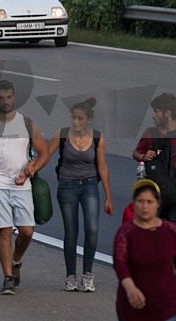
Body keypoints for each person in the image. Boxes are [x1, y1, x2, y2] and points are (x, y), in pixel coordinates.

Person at [0, 79, 51, 295]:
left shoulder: (27, 124)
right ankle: (8, 277)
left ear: (14, 98)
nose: (6, 101)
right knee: (4, 230)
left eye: (9, 97)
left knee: (27, 231)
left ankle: (16, 260)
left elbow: (44, 153)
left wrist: (32, 167)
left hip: (21, 184)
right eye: (1, 98)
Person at [49, 97, 114, 293]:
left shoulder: (97, 138)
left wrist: (108, 197)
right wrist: (31, 168)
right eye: (73, 118)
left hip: (89, 185)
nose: (76, 122)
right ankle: (70, 276)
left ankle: (88, 274)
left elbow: (102, 167)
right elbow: (46, 154)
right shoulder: (61, 135)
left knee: (92, 229)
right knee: (71, 232)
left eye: (80, 118)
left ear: (89, 120)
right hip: (67, 185)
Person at [114, 179, 176, 321]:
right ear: (134, 204)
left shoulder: (170, 231)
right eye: (140, 201)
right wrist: (130, 288)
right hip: (133, 308)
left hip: (166, 309)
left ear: (158, 204)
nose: (145, 206)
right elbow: (120, 264)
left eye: (150, 201)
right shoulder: (126, 233)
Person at [132, 92, 176, 232]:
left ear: (167, 113)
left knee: (170, 239)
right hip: (152, 198)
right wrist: (143, 157)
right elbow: (136, 153)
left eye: (156, 111)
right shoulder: (150, 133)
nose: (153, 115)